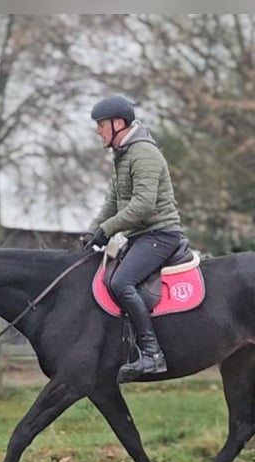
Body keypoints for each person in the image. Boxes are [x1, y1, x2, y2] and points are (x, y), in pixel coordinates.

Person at [82, 94, 186, 383]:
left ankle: (152, 353)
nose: (98, 131)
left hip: (161, 235)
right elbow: (113, 203)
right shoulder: (123, 156)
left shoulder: (144, 154)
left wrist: (108, 229)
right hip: (141, 236)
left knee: (120, 282)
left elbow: (143, 205)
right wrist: (93, 231)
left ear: (118, 123)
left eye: (101, 125)